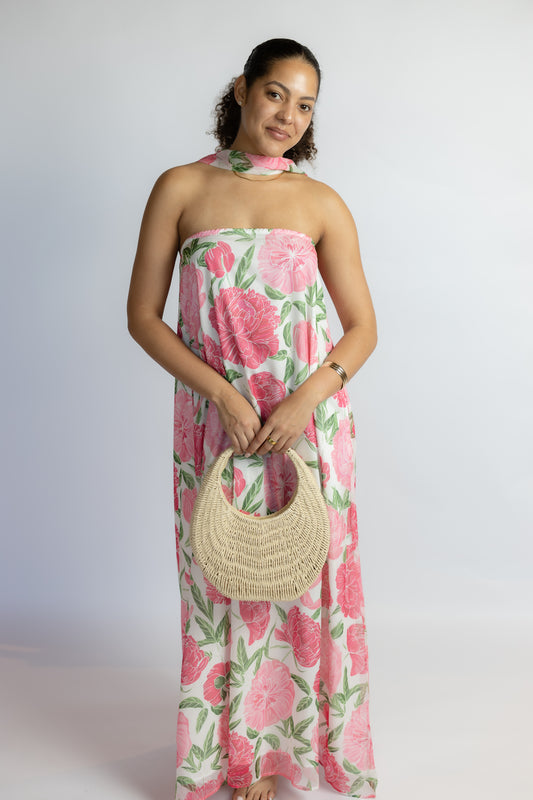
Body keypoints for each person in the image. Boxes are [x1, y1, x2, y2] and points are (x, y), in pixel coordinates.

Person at [127, 38, 378, 800]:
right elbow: (143, 318)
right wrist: (225, 397)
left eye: (304, 105)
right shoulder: (180, 187)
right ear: (242, 89)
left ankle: (290, 753)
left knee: (305, 581)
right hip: (219, 427)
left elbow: (362, 329)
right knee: (224, 577)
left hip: (308, 427)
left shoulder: (321, 203)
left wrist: (304, 401)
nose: (288, 116)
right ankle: (235, 754)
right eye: (275, 94)